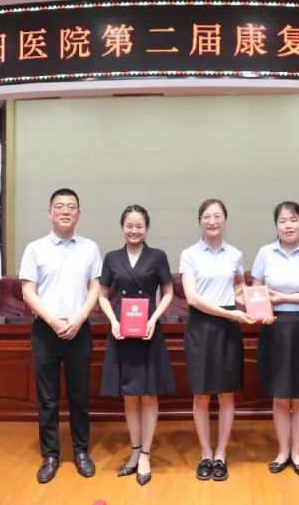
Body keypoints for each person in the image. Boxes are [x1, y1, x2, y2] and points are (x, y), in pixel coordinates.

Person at [19, 188, 102, 484]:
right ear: (49, 212)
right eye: (59, 206)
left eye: (71, 207)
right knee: (48, 398)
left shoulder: (90, 248)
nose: (65, 211)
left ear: (79, 213)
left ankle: (81, 452)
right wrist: (53, 321)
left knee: (79, 396)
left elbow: (95, 288)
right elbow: (28, 292)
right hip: (46, 331)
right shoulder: (35, 249)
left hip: (79, 329)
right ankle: (51, 455)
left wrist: (79, 319)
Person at [98, 205, 175, 486]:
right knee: (130, 395)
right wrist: (113, 321)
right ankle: (134, 451)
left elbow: (168, 292)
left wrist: (154, 319)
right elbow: (103, 295)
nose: (134, 230)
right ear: (122, 227)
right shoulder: (111, 257)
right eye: (129, 226)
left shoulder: (158, 256)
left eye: (139, 226)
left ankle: (145, 454)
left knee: (149, 395)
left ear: (147, 228)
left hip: (148, 330)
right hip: (121, 331)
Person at [179, 198, 256, 482]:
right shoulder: (189, 254)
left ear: (225, 220)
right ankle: (205, 453)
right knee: (201, 394)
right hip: (201, 326)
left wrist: (252, 300)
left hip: (227, 329)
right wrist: (231, 313)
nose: (212, 221)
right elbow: (192, 298)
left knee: (226, 394)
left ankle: (221, 454)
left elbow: (238, 285)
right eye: (207, 216)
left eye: (217, 216)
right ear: (200, 221)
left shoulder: (235, 254)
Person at [250, 201, 299, 477]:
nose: (288, 225)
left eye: (293, 220)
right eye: (283, 221)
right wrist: (262, 311)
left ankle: (298, 452)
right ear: (276, 225)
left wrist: (285, 297)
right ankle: (283, 451)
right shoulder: (265, 253)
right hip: (274, 327)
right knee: (281, 396)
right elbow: (256, 293)